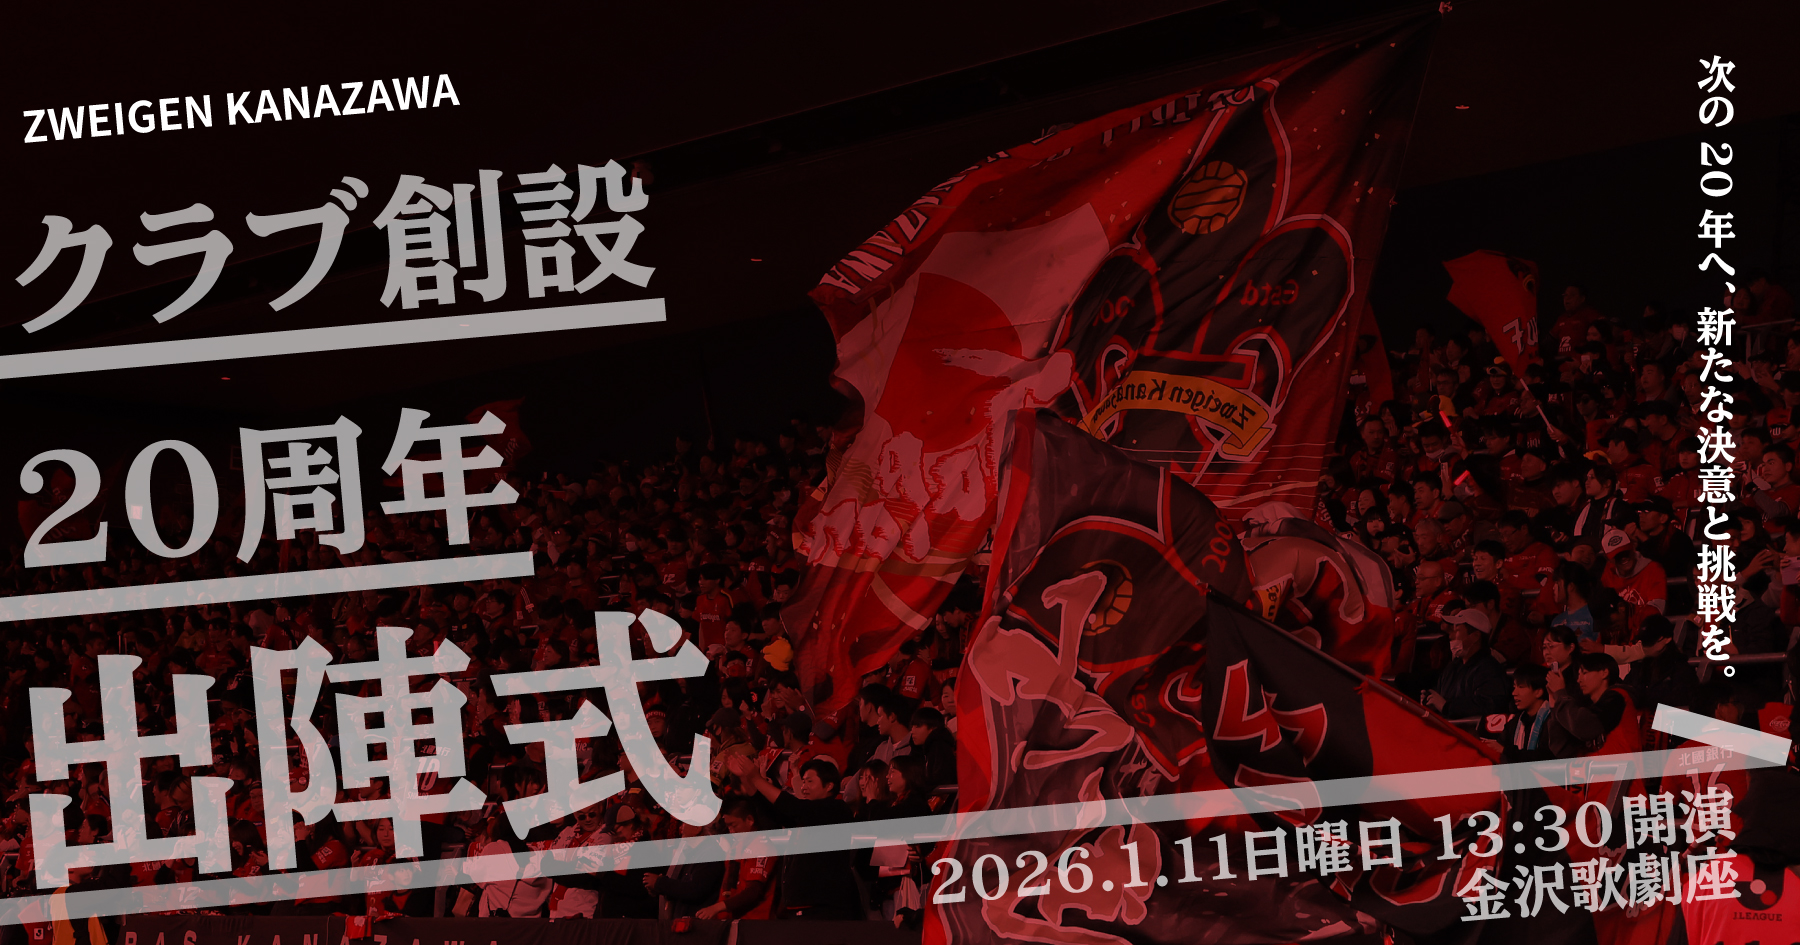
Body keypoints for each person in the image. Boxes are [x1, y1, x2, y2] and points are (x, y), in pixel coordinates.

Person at [725, 754, 864, 919]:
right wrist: (747, 778)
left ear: (829, 786)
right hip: (800, 910)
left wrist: (756, 778)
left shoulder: (836, 809)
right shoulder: (806, 816)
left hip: (828, 911)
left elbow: (793, 807)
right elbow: (771, 812)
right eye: (803, 781)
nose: (804, 787)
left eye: (810, 781)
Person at [1424, 610, 1510, 719]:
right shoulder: (1452, 667)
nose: (1451, 636)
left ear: (1475, 636)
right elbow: (1441, 695)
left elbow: (1489, 705)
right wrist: (1431, 700)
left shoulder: (1489, 669)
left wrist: (1446, 706)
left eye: (1457, 630)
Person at [1544, 651, 1632, 758]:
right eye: (1578, 675)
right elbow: (1562, 749)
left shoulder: (1618, 697)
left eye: (1584, 673)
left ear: (1604, 673)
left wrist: (1560, 694)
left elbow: (1584, 727)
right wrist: (1554, 705)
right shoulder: (1589, 706)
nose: (1579, 680)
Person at [1494, 663, 1554, 763]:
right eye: (1514, 687)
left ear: (1538, 692)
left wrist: (1506, 751)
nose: (1514, 693)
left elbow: (1547, 758)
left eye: (1521, 687)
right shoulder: (1514, 723)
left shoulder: (1553, 721)